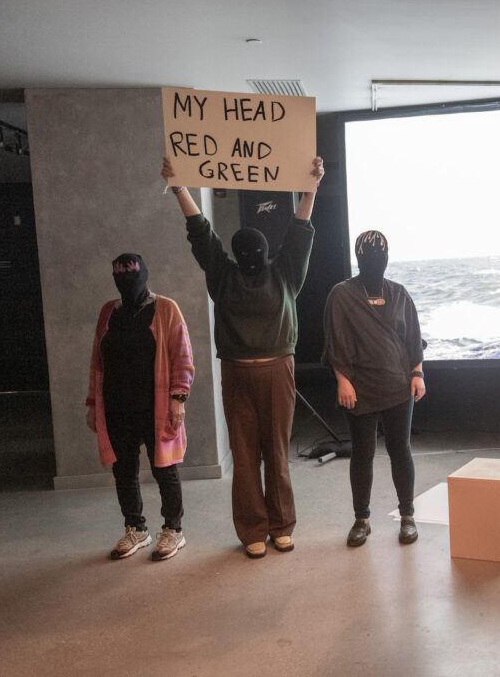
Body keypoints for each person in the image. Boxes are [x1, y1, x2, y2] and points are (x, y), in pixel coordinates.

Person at [161, 156, 325, 559]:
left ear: (265, 251)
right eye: (244, 251)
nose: (251, 254)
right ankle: (254, 529)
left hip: (274, 372)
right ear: (238, 254)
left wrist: (312, 188)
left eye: (255, 250)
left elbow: (300, 231)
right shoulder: (224, 275)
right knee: (246, 455)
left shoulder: (285, 271)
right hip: (238, 373)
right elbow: (200, 234)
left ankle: (281, 525)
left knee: (277, 454)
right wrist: (179, 188)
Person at [86, 253, 194, 561]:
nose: (126, 283)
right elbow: (97, 361)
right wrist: (94, 404)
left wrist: (178, 398)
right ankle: (135, 527)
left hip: (156, 405)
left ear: (143, 275)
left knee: (165, 470)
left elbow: (183, 357)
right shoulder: (109, 311)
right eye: (120, 277)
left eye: (132, 276)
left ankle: (174, 529)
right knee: (124, 471)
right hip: (116, 406)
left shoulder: (166, 309)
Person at [323, 230, 425, 547]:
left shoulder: (399, 293)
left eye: (380, 256)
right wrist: (343, 380)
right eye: (369, 257)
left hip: (397, 385)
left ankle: (407, 516)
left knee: (400, 450)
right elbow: (335, 340)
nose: (376, 261)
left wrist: (417, 372)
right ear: (358, 258)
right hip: (359, 387)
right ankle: (361, 520)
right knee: (362, 455)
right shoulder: (342, 294)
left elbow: (412, 337)